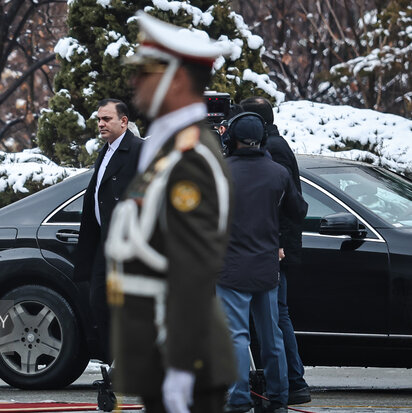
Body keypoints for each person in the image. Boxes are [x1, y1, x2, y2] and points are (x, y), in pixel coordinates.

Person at [104, 12, 236, 413]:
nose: (134, 82)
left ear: (176, 80)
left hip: (182, 361)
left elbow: (193, 267)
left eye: (146, 73)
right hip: (157, 352)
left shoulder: (189, 157)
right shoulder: (166, 148)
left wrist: (180, 370)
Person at [216, 112, 308, 413]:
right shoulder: (278, 173)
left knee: (236, 337)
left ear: (231, 139)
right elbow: (298, 210)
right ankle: (279, 397)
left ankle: (239, 398)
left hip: (229, 268)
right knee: (272, 337)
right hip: (267, 267)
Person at [240, 96, 311, 406]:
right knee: (275, 317)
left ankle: (293, 381)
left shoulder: (274, 149)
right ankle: (289, 381)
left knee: (277, 317)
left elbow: (281, 201)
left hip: (272, 247)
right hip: (271, 244)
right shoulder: (274, 144)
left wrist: (279, 242)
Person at [73, 98, 143, 365]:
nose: (101, 124)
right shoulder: (106, 150)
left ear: (123, 121)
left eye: (107, 119)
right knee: (99, 301)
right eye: (99, 119)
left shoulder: (138, 150)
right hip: (104, 241)